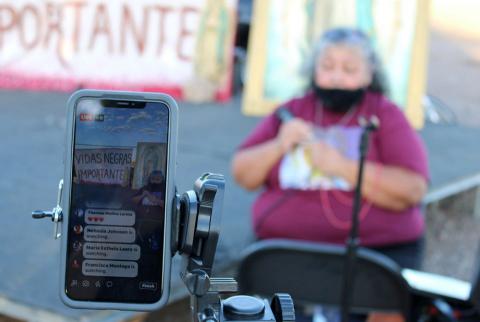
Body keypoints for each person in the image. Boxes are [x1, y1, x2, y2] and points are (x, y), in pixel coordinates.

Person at [232, 28, 429, 322]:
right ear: (313, 69)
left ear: (369, 73)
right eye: (327, 66)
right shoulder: (292, 112)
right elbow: (242, 174)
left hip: (374, 256)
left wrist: (342, 166)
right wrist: (279, 144)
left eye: (349, 69)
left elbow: (412, 189)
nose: (336, 76)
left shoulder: (385, 115)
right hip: (286, 253)